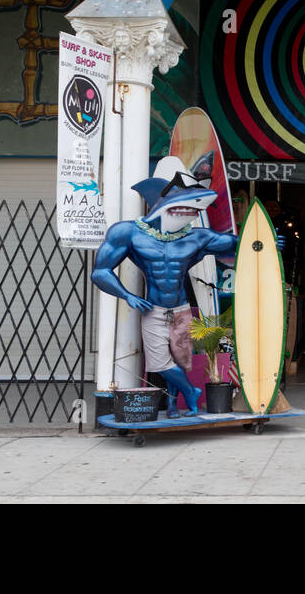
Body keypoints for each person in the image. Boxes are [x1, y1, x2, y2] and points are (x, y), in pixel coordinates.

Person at [91, 156, 238, 417]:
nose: (190, 212)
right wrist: (126, 295)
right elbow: (100, 272)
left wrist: (265, 239)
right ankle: (191, 392)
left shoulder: (196, 238)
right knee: (160, 362)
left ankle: (173, 404)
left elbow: (234, 243)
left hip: (182, 310)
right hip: (154, 309)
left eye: (194, 209)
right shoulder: (128, 232)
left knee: (180, 361)